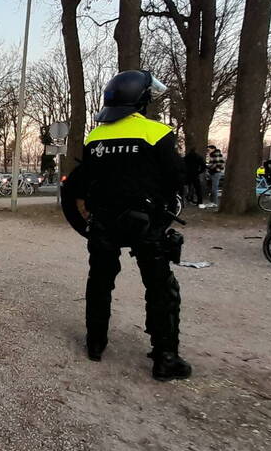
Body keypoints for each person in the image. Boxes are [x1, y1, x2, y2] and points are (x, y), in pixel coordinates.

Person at [74, 70, 190, 381]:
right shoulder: (157, 133)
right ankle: (165, 356)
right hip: (147, 225)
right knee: (161, 287)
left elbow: (82, 183)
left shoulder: (95, 137)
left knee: (99, 282)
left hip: (103, 224)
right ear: (141, 100)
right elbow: (176, 179)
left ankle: (95, 344)